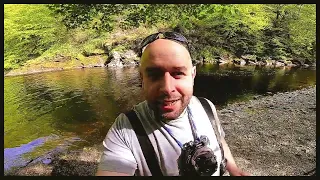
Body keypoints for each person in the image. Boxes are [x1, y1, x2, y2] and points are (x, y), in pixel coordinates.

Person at [96, 32, 250, 176]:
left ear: (193, 74)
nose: (168, 89)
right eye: (155, 75)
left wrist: (234, 169)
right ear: (142, 78)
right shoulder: (125, 130)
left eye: (178, 73)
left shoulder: (206, 107)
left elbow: (219, 141)